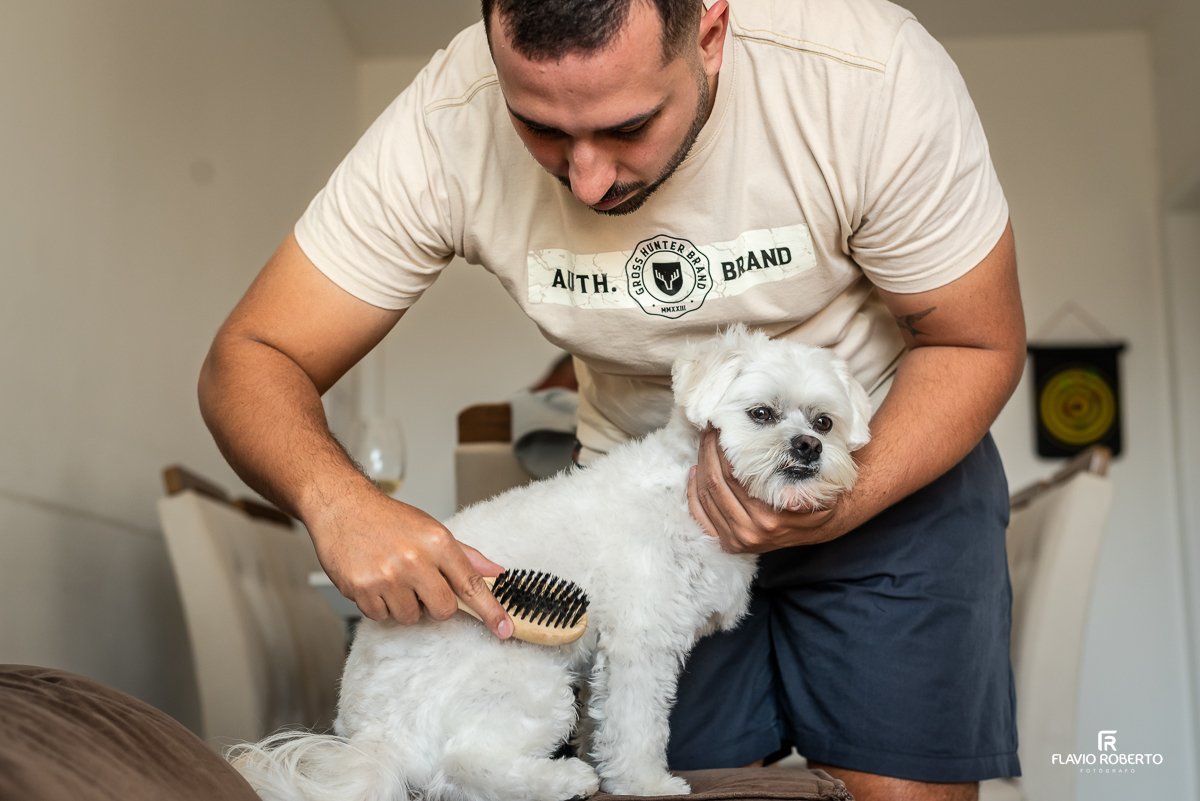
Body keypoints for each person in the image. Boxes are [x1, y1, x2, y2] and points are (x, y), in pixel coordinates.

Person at [198, 1, 1026, 798]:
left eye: (628, 126)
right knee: (662, 779)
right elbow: (252, 354)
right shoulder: (447, 121)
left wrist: (835, 499)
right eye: (542, 130)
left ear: (709, 32)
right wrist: (335, 500)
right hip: (648, 512)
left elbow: (975, 341)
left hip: (885, 462)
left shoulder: (866, 74)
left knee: (896, 785)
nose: (588, 184)